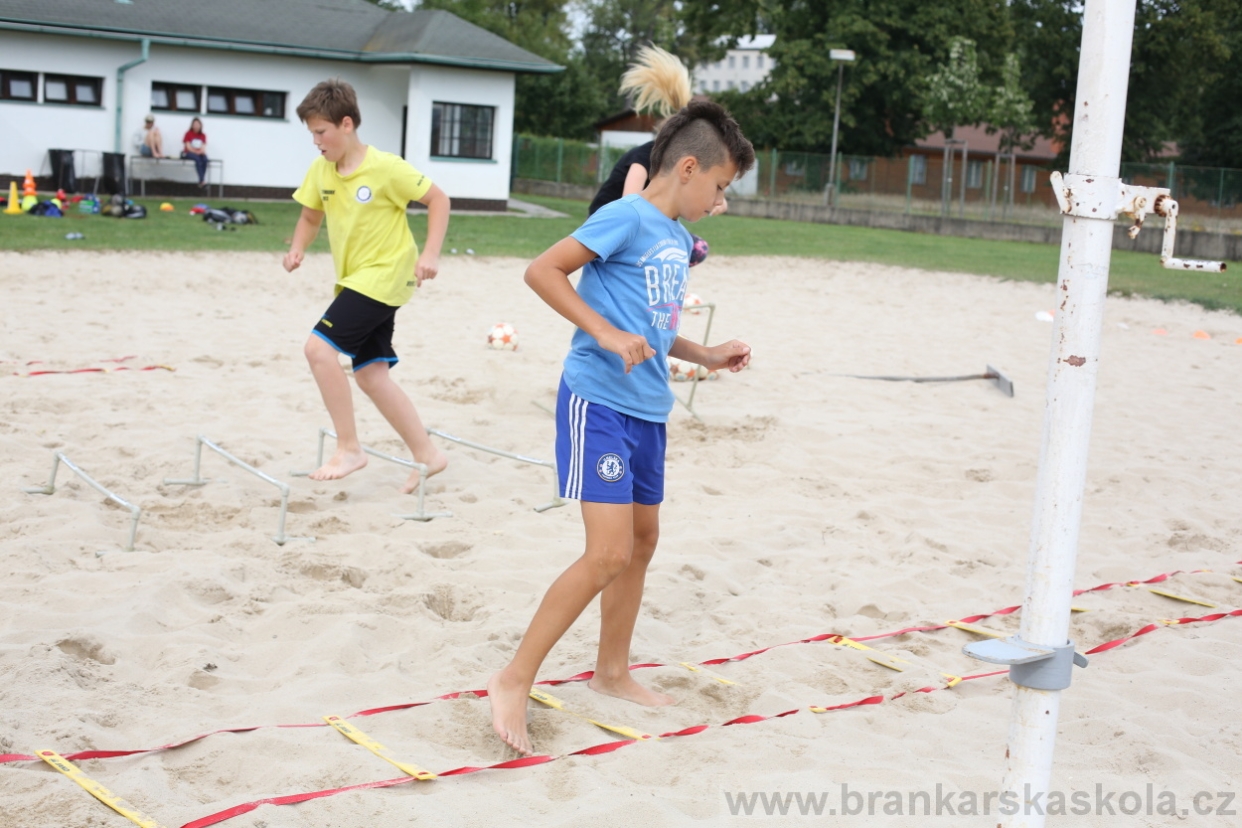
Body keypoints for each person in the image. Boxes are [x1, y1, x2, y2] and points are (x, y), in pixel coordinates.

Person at [487, 100, 756, 756]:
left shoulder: (671, 237)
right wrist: (602, 332)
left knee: (641, 540)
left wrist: (706, 355)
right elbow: (541, 270)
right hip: (598, 403)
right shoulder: (627, 217)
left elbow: (653, 328)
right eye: (720, 186)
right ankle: (512, 678)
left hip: (648, 412)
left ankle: (612, 672)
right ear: (687, 167)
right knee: (607, 552)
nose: (720, 200)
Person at [283, 79, 450, 494]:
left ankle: (350, 448)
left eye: (321, 133)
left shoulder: (386, 168)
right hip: (356, 280)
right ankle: (428, 454)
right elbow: (309, 217)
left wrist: (430, 254)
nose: (316, 142)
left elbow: (439, 200)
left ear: (346, 124)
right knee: (372, 376)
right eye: (311, 135)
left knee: (318, 349)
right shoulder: (321, 171)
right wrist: (298, 249)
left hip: (387, 274)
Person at [588, 45, 724, 266]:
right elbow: (628, 201)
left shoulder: (673, 166)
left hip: (634, 225)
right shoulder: (646, 155)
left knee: (694, 248)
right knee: (684, 247)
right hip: (609, 226)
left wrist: (716, 199)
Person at [181, 117, 209, 187]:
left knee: (205, 160)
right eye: (194, 124)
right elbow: (188, 146)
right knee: (198, 159)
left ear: (200, 125)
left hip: (199, 153)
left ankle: (201, 180)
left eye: (197, 124)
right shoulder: (188, 134)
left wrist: (201, 151)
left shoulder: (203, 135)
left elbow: (203, 146)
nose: (196, 126)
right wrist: (195, 152)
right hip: (189, 153)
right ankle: (202, 180)